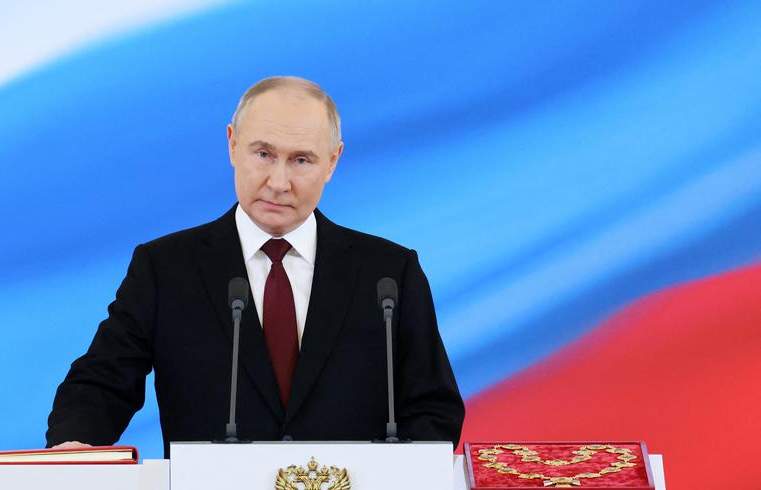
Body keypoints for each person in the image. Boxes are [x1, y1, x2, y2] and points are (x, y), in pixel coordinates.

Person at [46, 76, 464, 456]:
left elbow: (432, 406)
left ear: (333, 162)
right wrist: (75, 442)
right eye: (263, 154)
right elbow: (101, 382)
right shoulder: (165, 268)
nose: (279, 182)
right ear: (231, 144)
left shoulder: (388, 274)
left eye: (302, 160)